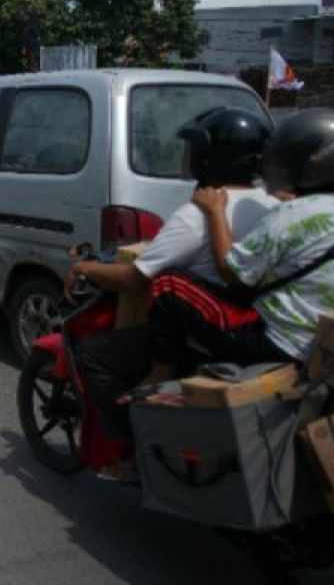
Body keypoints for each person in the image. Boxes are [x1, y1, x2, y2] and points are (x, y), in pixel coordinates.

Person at [68, 107, 277, 451]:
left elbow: (133, 279)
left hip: (205, 332)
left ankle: (128, 451)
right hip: (257, 324)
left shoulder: (200, 212)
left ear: (211, 157)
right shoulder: (272, 204)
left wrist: (83, 269)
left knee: (93, 353)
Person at [140, 107, 334, 386]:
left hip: (279, 344)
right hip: (326, 340)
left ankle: (156, 378)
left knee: (168, 285)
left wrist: (216, 210)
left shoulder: (291, 214)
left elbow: (231, 271)